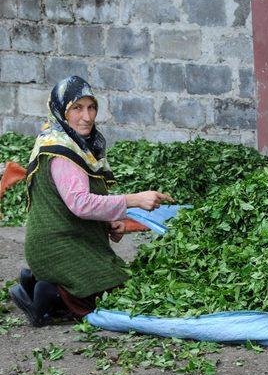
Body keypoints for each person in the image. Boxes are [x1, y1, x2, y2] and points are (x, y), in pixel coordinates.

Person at [9, 76, 174, 327]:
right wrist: (134, 200)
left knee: (121, 276)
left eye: (91, 107)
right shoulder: (61, 151)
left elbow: (77, 201)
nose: (86, 117)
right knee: (113, 294)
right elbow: (81, 204)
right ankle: (50, 297)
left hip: (70, 238)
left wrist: (111, 221)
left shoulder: (77, 144)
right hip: (57, 245)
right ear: (61, 111)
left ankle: (34, 281)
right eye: (77, 108)